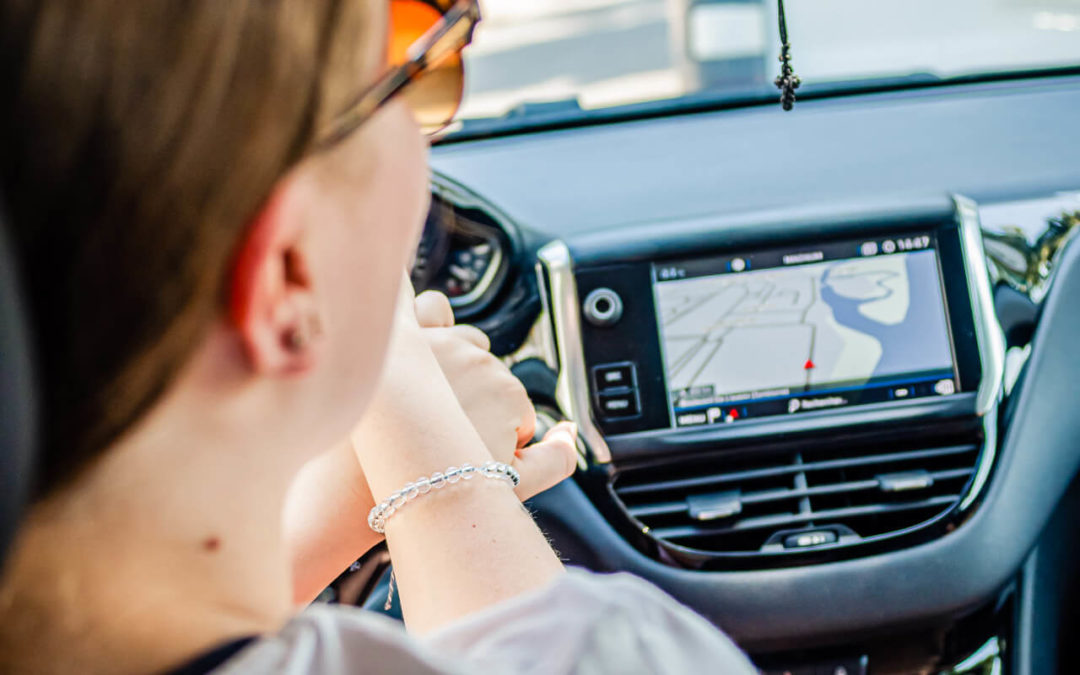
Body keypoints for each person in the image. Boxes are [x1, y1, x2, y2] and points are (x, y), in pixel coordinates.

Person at [0, 1, 757, 673]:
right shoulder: (621, 653)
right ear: (285, 277)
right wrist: (434, 459)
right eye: (409, 74)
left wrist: (323, 517)